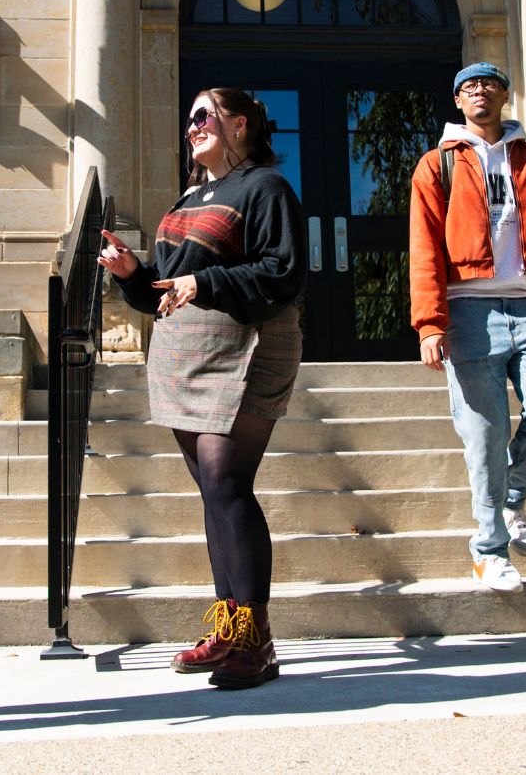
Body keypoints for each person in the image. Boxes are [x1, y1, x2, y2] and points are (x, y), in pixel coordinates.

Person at [98, 87, 305, 689]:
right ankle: (230, 625)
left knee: (226, 481)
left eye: (203, 116)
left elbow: (282, 271)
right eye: (188, 119)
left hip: (247, 343)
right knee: (215, 494)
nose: (192, 127)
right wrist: (134, 274)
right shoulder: (191, 198)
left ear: (240, 125)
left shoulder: (265, 188)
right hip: (185, 350)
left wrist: (203, 281)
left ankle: (256, 642)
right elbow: (166, 288)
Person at [408, 62, 526, 592]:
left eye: (490, 84)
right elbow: (424, 247)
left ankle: (511, 495)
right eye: (469, 86)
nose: (480, 92)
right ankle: (488, 550)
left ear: (506, 95)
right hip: (468, 311)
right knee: (483, 435)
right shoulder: (437, 165)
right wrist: (430, 324)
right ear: (458, 101)